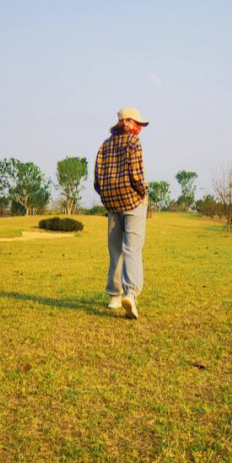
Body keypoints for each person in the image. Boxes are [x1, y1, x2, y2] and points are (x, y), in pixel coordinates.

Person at [94, 107, 149, 320]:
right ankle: (131, 294)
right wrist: (143, 192)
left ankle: (114, 297)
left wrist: (108, 196)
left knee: (115, 249)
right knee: (132, 247)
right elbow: (136, 175)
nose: (139, 128)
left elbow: (97, 181)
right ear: (126, 122)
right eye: (136, 123)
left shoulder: (104, 145)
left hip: (111, 204)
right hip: (132, 201)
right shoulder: (133, 143)